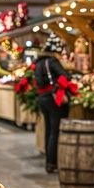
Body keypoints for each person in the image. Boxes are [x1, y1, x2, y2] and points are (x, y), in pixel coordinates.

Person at [35, 33, 70, 173]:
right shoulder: (52, 61)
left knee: (49, 129)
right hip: (53, 98)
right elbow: (64, 76)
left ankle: (49, 161)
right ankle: (52, 162)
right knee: (55, 130)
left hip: (42, 98)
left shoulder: (39, 62)